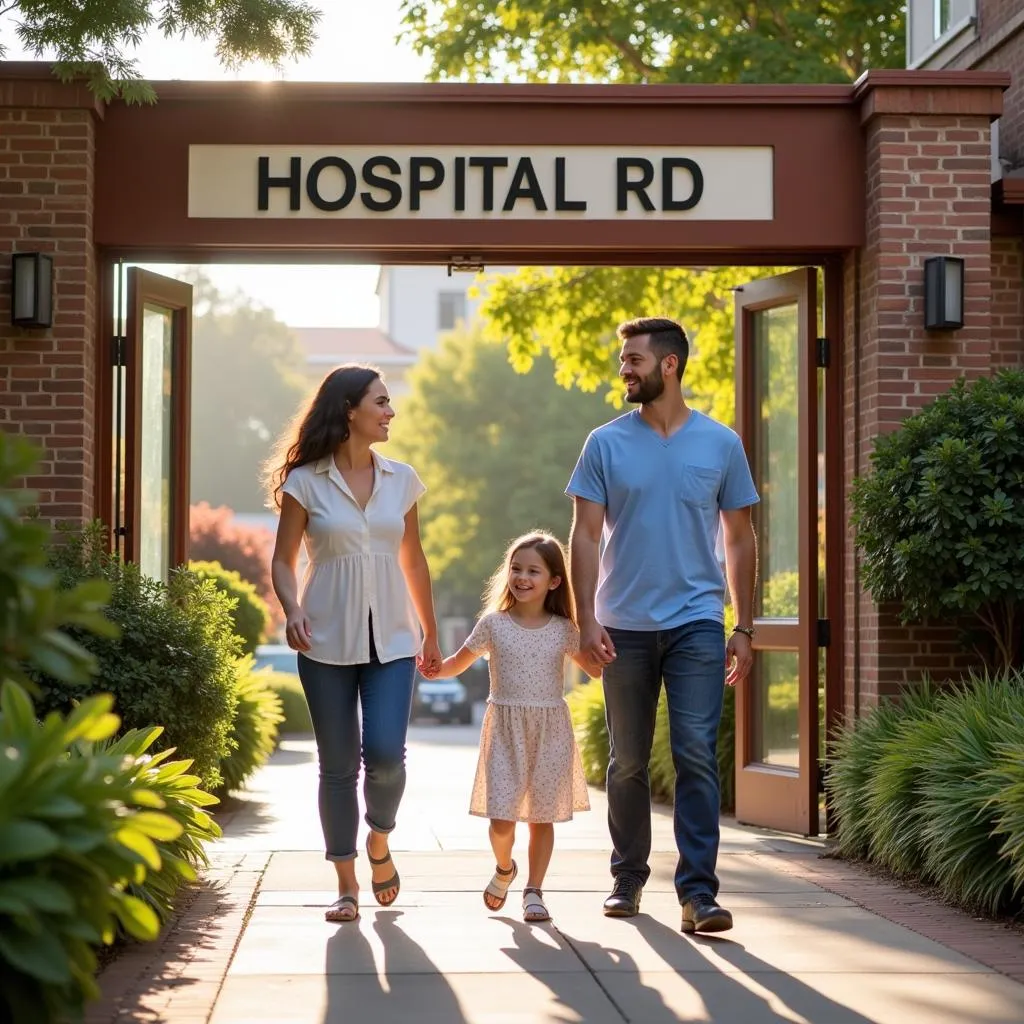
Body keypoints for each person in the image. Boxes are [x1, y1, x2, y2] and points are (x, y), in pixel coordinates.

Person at [566, 316, 759, 935]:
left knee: (696, 754)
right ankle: (627, 877)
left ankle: (699, 894)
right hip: (622, 624)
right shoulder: (604, 443)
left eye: (634, 360)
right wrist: (585, 617)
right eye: (624, 360)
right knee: (625, 761)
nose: (624, 369)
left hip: (699, 621)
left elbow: (739, 537)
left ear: (669, 365)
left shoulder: (721, 444)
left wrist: (744, 625)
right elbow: (586, 534)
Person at [265, 364, 442, 924]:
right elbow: (283, 559)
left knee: (386, 755)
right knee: (338, 766)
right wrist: (292, 609)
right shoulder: (306, 483)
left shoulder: (402, 479)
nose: (391, 412)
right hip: (323, 640)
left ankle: (380, 840)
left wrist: (431, 631)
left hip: (393, 640)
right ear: (350, 409)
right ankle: (346, 885)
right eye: (382, 402)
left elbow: (413, 558)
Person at [427, 531, 592, 923]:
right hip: (504, 730)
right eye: (516, 568)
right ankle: (505, 868)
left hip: (550, 731)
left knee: (541, 818)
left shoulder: (565, 629)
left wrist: (612, 648)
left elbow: (598, 670)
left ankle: (534, 890)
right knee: (501, 821)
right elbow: (457, 662)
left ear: (553, 580)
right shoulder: (493, 625)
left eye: (533, 571)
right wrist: (434, 669)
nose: (522, 577)